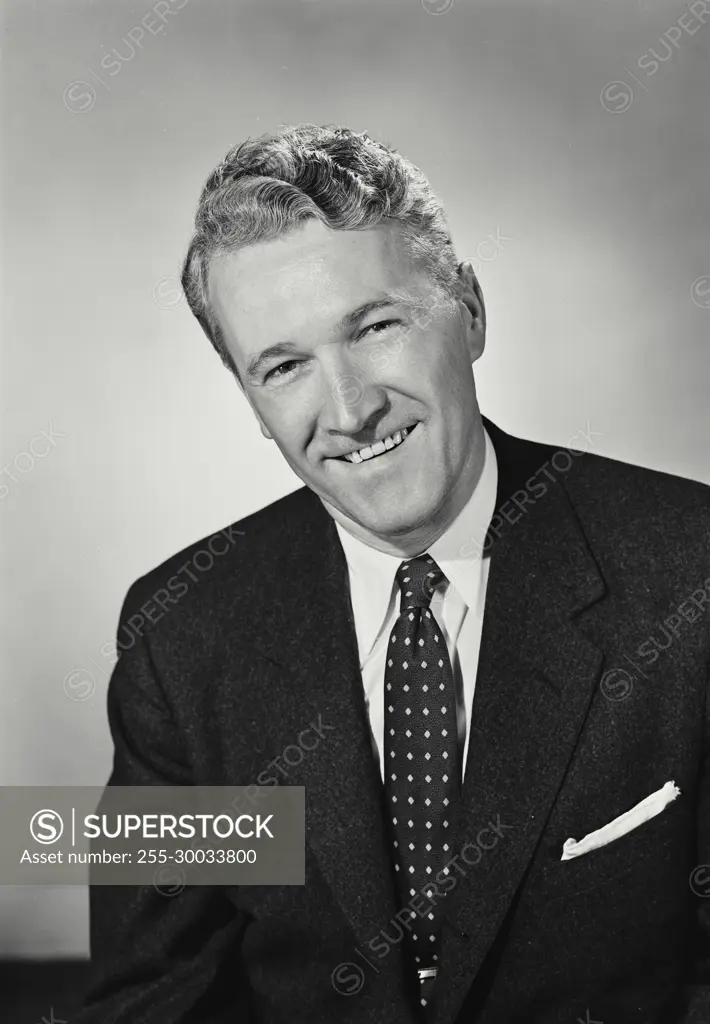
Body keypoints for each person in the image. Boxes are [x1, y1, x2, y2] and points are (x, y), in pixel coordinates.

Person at [77, 124, 710, 1023]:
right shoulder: (178, 639)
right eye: (286, 366)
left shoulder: (691, 571)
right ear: (251, 401)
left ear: (473, 312)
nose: (350, 410)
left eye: (375, 327)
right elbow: (152, 998)